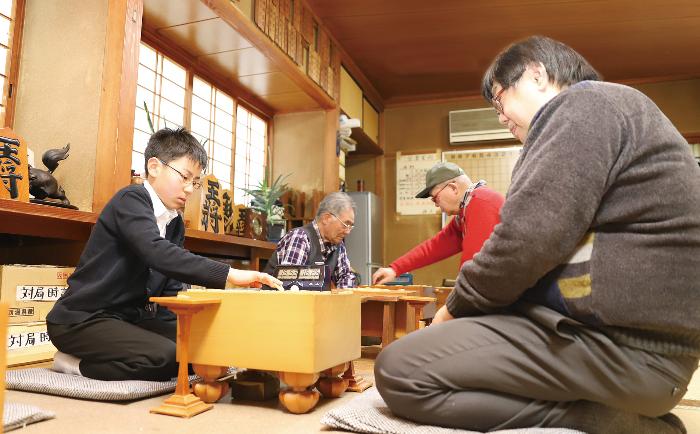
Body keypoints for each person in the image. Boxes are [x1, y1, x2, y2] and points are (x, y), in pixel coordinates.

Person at [374, 36, 700, 434]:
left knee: (399, 369)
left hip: (627, 352)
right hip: (635, 351)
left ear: (537, 73)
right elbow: (447, 245)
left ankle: (608, 423)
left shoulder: (584, 104)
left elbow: (525, 241)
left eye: (498, 100)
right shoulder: (609, 112)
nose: (499, 117)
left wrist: (454, 309)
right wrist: (399, 268)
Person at [46, 127, 282, 381]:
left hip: (128, 320)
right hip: (82, 319)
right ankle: (74, 365)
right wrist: (231, 274)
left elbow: (171, 287)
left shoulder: (174, 222)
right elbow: (157, 253)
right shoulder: (130, 200)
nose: (190, 189)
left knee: (201, 350)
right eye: (184, 177)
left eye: (195, 182)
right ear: (155, 166)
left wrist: (180, 332)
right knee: (165, 358)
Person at [372, 161, 504, 285]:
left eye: (435, 198)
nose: (436, 205)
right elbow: (435, 246)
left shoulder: (481, 202)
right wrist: (395, 269)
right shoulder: (466, 210)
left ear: (453, 188)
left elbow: (474, 268)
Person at [262, 192, 357, 289]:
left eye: (351, 226)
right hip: (276, 302)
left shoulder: (338, 245)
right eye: (346, 224)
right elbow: (290, 285)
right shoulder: (300, 237)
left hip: (311, 302)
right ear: (326, 218)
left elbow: (346, 276)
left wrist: (343, 297)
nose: (348, 231)